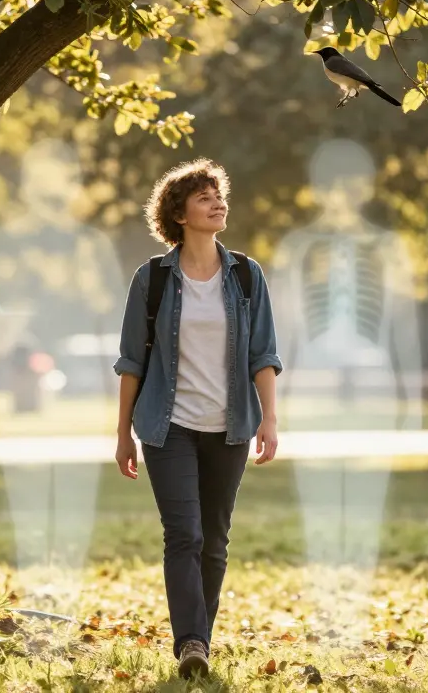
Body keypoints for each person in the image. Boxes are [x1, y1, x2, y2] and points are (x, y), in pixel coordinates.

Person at [112, 158, 282, 679]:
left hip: (230, 425)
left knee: (214, 537)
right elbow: (131, 361)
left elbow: (263, 354)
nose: (217, 203)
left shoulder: (247, 276)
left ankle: (197, 640)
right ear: (179, 214)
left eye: (219, 195)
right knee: (183, 534)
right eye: (205, 197)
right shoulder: (153, 279)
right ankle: (191, 641)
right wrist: (122, 433)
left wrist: (269, 420)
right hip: (169, 426)